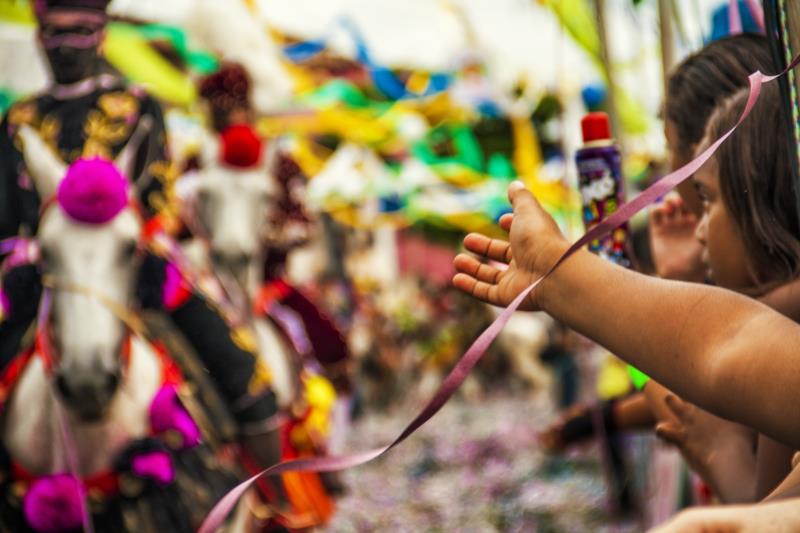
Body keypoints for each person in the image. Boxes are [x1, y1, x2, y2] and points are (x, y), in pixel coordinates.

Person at [0, 0, 289, 515]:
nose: (67, 45)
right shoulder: (19, 118)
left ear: (103, 34)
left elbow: (159, 199)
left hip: (129, 259)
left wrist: (142, 236)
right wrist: (21, 253)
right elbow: (6, 215)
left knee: (231, 352)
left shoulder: (138, 105)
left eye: (81, 31)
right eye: (55, 33)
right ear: (40, 36)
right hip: (45, 270)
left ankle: (271, 489)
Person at [452, 83, 800, 505]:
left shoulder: (782, 313)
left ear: (763, 193)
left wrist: (720, 450)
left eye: (707, 197)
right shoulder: (765, 313)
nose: (697, 223)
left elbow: (719, 351)